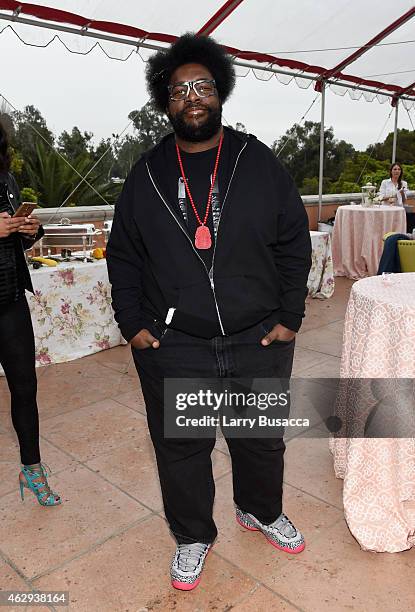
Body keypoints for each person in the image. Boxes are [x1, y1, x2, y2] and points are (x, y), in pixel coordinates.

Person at [107, 33, 311, 591]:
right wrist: (135, 326)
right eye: (178, 90)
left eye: (201, 85)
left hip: (257, 336)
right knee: (182, 448)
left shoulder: (256, 160)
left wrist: (290, 314)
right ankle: (193, 534)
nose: (191, 97)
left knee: (260, 437)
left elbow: (295, 241)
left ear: (219, 91)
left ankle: (260, 511)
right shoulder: (146, 175)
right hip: (177, 342)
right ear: (165, 102)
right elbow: (122, 255)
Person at [0, 120, 61, 507]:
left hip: (9, 301)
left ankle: (32, 469)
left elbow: (15, 234)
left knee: (25, 388)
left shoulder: (6, 177)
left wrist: (28, 231)